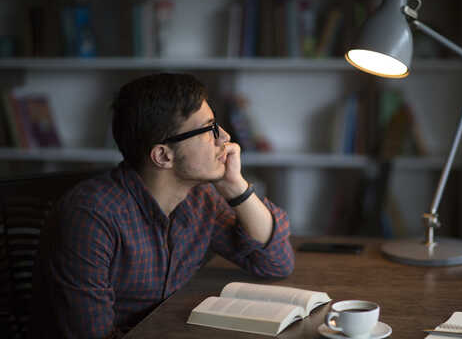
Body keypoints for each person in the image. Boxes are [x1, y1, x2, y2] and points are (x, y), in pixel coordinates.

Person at [33, 73, 294, 338]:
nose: (224, 137)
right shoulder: (90, 218)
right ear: (163, 155)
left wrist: (234, 186)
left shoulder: (199, 199)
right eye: (210, 129)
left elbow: (275, 263)